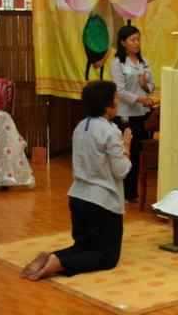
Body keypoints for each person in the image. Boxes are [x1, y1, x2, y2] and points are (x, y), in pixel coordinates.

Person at [21, 81, 132, 281]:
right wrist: (126, 149)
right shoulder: (110, 131)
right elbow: (121, 171)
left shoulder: (81, 126)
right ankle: (58, 263)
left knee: (84, 246)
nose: (119, 100)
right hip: (101, 202)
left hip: (78, 197)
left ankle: (54, 257)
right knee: (107, 256)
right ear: (107, 106)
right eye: (116, 97)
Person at [109, 25, 156, 203]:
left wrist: (145, 87)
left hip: (142, 115)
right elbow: (120, 91)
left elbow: (151, 86)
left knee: (137, 154)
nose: (136, 43)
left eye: (138, 39)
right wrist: (139, 99)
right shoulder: (117, 64)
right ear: (123, 43)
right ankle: (120, 192)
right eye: (132, 40)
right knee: (124, 153)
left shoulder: (144, 62)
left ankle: (131, 193)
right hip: (125, 115)